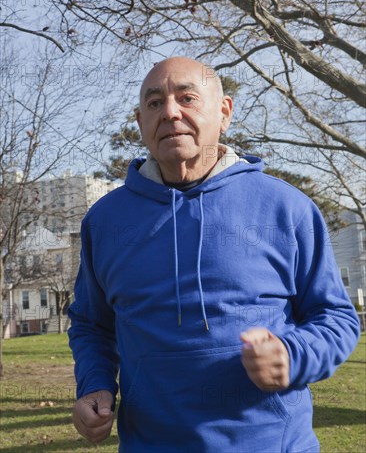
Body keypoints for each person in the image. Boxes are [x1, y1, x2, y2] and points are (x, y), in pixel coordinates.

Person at [68, 56, 360, 452]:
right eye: (155, 104)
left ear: (224, 113)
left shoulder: (285, 208)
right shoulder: (105, 221)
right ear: (140, 123)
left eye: (187, 98)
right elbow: (90, 324)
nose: (170, 112)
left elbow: (336, 317)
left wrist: (293, 355)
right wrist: (95, 385)